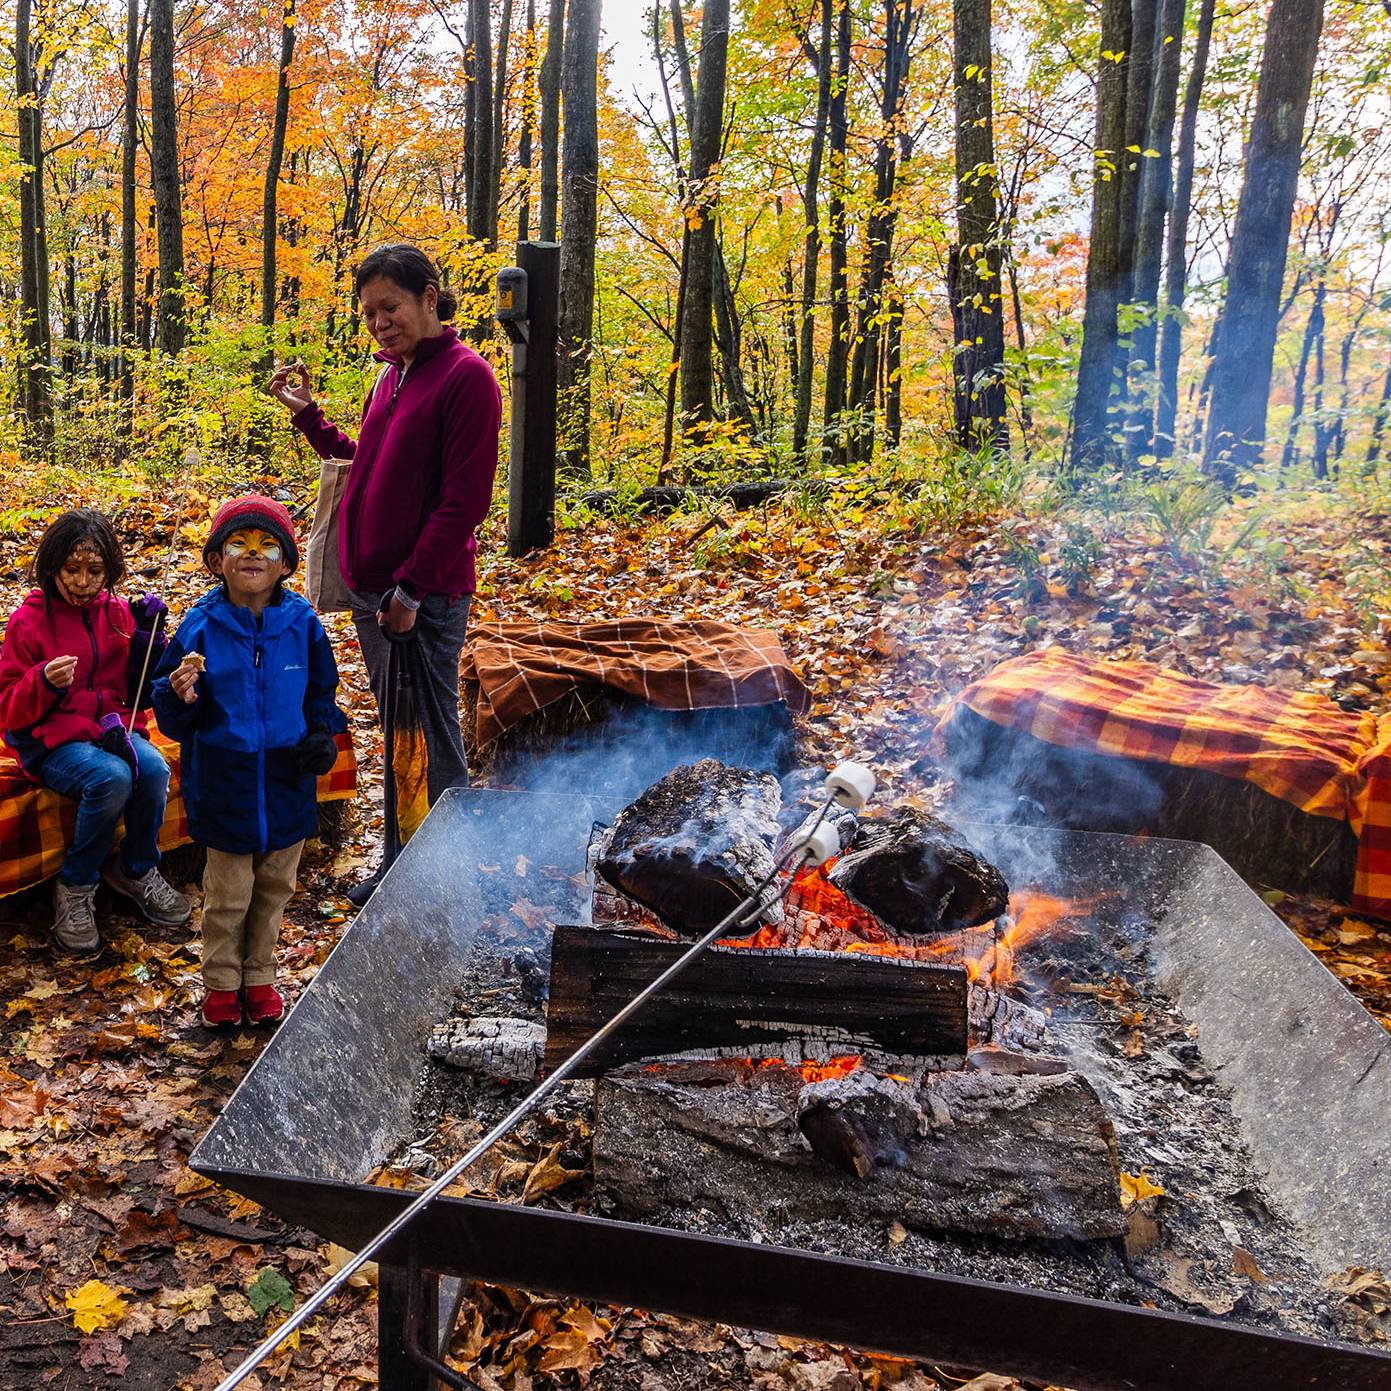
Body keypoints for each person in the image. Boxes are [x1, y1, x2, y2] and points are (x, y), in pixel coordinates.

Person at [266, 243, 501, 906]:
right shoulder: (389, 377)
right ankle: (405, 865)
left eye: (389, 307)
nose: (379, 322)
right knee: (401, 731)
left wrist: (410, 589)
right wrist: (308, 417)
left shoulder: (466, 377)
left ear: (430, 296)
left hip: (418, 596)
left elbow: (463, 501)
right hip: (379, 595)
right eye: (369, 313)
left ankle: (448, 874)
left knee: (431, 733)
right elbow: (365, 464)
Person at [152, 496, 345, 1028]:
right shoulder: (201, 626)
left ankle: (260, 976)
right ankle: (221, 982)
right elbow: (169, 705)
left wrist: (322, 735)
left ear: (285, 563)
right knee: (228, 893)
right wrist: (180, 694)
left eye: (268, 547)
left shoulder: (303, 625)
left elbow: (321, 692)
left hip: (287, 777)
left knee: (276, 887)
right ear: (217, 561)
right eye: (239, 544)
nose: (252, 555)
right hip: (224, 778)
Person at [0, 508, 190, 954]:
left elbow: (138, 691)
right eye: (72, 570)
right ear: (52, 568)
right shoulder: (28, 621)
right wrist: (42, 683)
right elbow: (8, 709)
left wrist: (149, 636)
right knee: (112, 777)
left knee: (155, 770)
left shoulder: (118, 613)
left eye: (95, 571)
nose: (83, 582)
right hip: (50, 741)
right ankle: (76, 885)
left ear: (110, 570)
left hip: (111, 730)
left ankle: (137, 868)